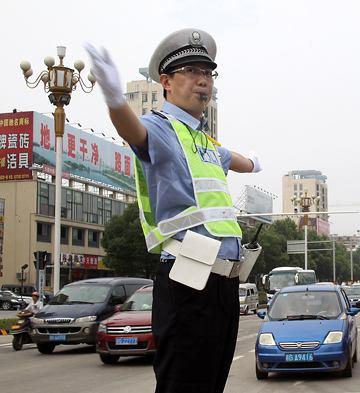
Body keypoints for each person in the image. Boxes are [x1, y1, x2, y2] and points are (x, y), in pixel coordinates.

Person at [85, 28, 261, 393]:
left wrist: (253, 164)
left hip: (224, 285)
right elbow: (132, 130)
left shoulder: (205, 142)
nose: (203, 82)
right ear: (165, 81)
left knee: (212, 384)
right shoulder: (159, 128)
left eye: (208, 73)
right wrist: (115, 100)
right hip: (188, 280)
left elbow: (236, 159)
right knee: (184, 385)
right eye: (192, 72)